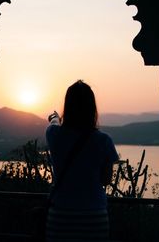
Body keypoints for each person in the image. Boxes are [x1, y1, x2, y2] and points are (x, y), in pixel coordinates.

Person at [45, 80, 119, 241]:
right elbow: (106, 179)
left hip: (61, 216)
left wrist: (55, 117)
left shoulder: (54, 135)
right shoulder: (104, 140)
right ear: (92, 108)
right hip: (93, 216)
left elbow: (53, 124)